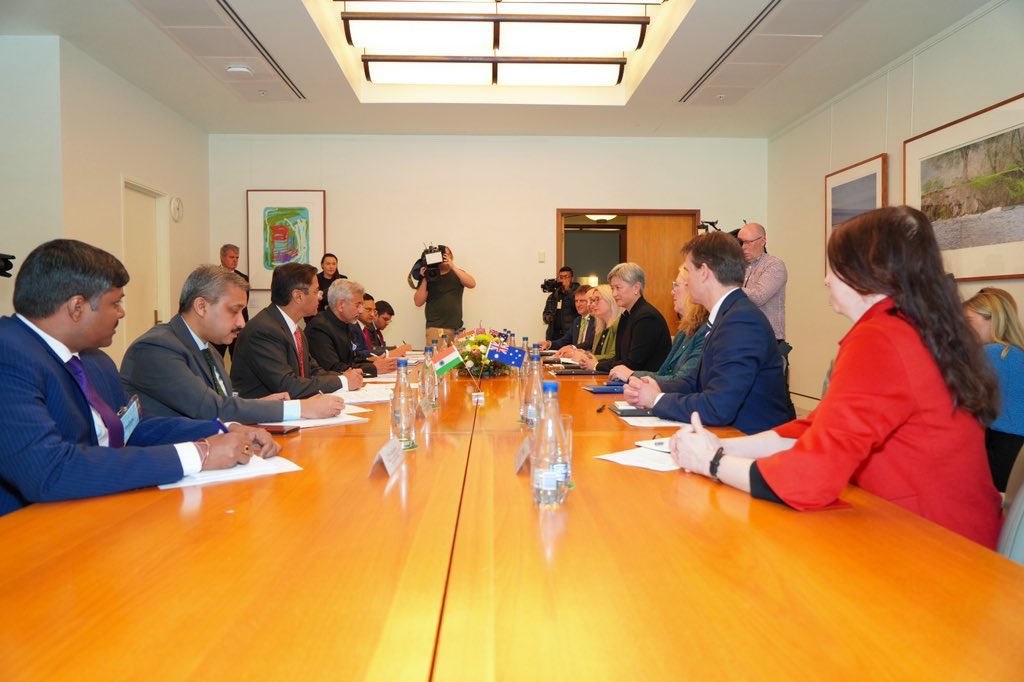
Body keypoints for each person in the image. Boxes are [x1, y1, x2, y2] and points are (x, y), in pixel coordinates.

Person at [671, 207, 1003, 549]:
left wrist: (711, 462)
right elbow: (817, 430)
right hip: (958, 535)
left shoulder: (881, 339)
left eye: (834, 268)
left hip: (930, 547)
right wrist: (724, 445)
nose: (827, 279)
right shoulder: (914, 327)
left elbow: (809, 479)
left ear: (868, 272)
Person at [0, 239, 279, 516]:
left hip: (101, 508)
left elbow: (132, 428)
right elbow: (50, 470)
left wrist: (223, 430)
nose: (122, 312)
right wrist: (198, 454)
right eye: (115, 303)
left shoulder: (96, 361)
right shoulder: (9, 355)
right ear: (77, 307)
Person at [121, 265, 346, 424]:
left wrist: (257, 403)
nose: (241, 322)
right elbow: (211, 409)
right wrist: (301, 408)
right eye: (234, 310)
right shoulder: (157, 348)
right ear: (202, 306)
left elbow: (222, 400)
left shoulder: (208, 349)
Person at [624, 232, 791, 433]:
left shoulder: (741, 322)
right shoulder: (727, 315)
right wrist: (657, 387)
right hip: (728, 434)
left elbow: (718, 407)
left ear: (703, 272)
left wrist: (656, 400)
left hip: (747, 442)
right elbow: (694, 381)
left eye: (688, 271)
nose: (685, 282)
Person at [230, 263, 353, 398]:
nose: (320, 297)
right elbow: (287, 386)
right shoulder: (263, 331)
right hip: (260, 416)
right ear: (298, 296)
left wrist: (345, 376)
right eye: (316, 291)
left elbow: (312, 370)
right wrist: (342, 381)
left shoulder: (295, 330)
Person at [964, 287, 1024, 492]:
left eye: (969, 321)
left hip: (1003, 446)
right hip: (1017, 448)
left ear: (992, 319)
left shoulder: (992, 353)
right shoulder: (1015, 353)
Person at [610, 268, 709, 385]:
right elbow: (663, 374)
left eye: (676, 285)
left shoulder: (705, 331)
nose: (672, 291)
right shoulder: (684, 331)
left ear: (694, 287)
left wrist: (631, 375)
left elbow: (683, 382)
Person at [307, 279, 396, 378]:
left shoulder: (346, 324)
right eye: (358, 305)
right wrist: (373, 368)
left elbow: (352, 359)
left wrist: (372, 361)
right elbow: (332, 368)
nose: (361, 310)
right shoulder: (319, 328)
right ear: (341, 305)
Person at [594, 262, 671, 373]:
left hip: (646, 385)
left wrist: (597, 365)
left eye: (618, 288)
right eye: (612, 288)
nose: (614, 294)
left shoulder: (647, 318)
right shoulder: (627, 315)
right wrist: (596, 363)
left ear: (636, 288)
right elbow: (620, 359)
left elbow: (633, 363)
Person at [413, 246, 476, 346]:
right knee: (437, 360)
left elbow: (472, 284)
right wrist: (425, 278)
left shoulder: (457, 273)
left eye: (445, 254)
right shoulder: (429, 275)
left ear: (451, 256)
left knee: (457, 361)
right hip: (436, 328)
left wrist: (453, 267)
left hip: (457, 328)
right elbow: (418, 302)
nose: (443, 257)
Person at [738, 222, 787, 344]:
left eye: (748, 242)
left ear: (763, 241)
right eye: (741, 242)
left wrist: (729, 287)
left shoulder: (774, 265)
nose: (743, 247)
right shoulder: (739, 266)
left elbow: (758, 297)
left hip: (767, 338)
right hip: (743, 335)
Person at [562, 285, 620, 370]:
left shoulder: (619, 325)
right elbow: (595, 353)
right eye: (592, 300)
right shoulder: (599, 327)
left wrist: (583, 356)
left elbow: (614, 357)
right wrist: (583, 353)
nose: (592, 304)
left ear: (610, 300)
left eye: (597, 300)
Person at [212, 243, 249, 358]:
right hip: (219, 324)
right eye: (231, 257)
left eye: (237, 258)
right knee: (216, 356)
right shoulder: (212, 276)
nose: (235, 260)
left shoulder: (243, 278)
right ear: (222, 257)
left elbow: (244, 305)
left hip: (238, 325)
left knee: (238, 357)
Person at [541, 284, 594, 352]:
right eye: (576, 301)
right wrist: (549, 344)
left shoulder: (597, 321)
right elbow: (564, 341)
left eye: (582, 301)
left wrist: (572, 348)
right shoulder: (577, 321)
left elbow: (588, 343)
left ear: (590, 301)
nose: (578, 304)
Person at [543, 266, 579, 343]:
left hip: (570, 335)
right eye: (561, 277)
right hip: (553, 336)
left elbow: (578, 309)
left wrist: (568, 291)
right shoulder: (554, 295)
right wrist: (547, 317)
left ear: (572, 278)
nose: (563, 279)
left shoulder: (578, 293)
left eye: (566, 277)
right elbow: (546, 313)